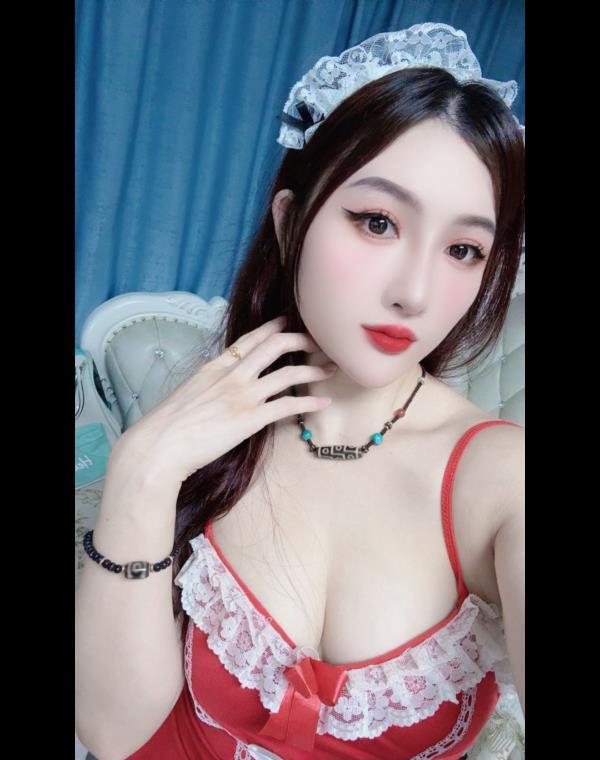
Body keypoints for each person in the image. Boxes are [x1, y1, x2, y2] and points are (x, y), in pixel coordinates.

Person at [75, 23, 525, 760]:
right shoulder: (213, 424)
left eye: (463, 249)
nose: (415, 293)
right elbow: (115, 733)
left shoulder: (502, 479)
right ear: (290, 225)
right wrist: (142, 470)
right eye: (377, 222)